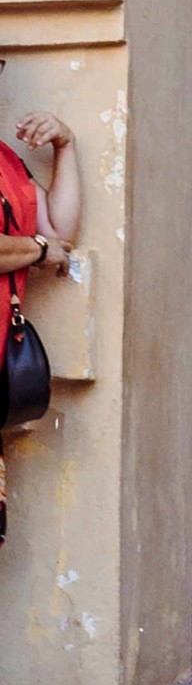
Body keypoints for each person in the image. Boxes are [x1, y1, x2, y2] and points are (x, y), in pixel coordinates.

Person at [0, 81, 81, 546]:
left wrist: (64, 144)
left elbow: (59, 232)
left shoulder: (6, 160)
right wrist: (38, 249)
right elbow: (45, 246)